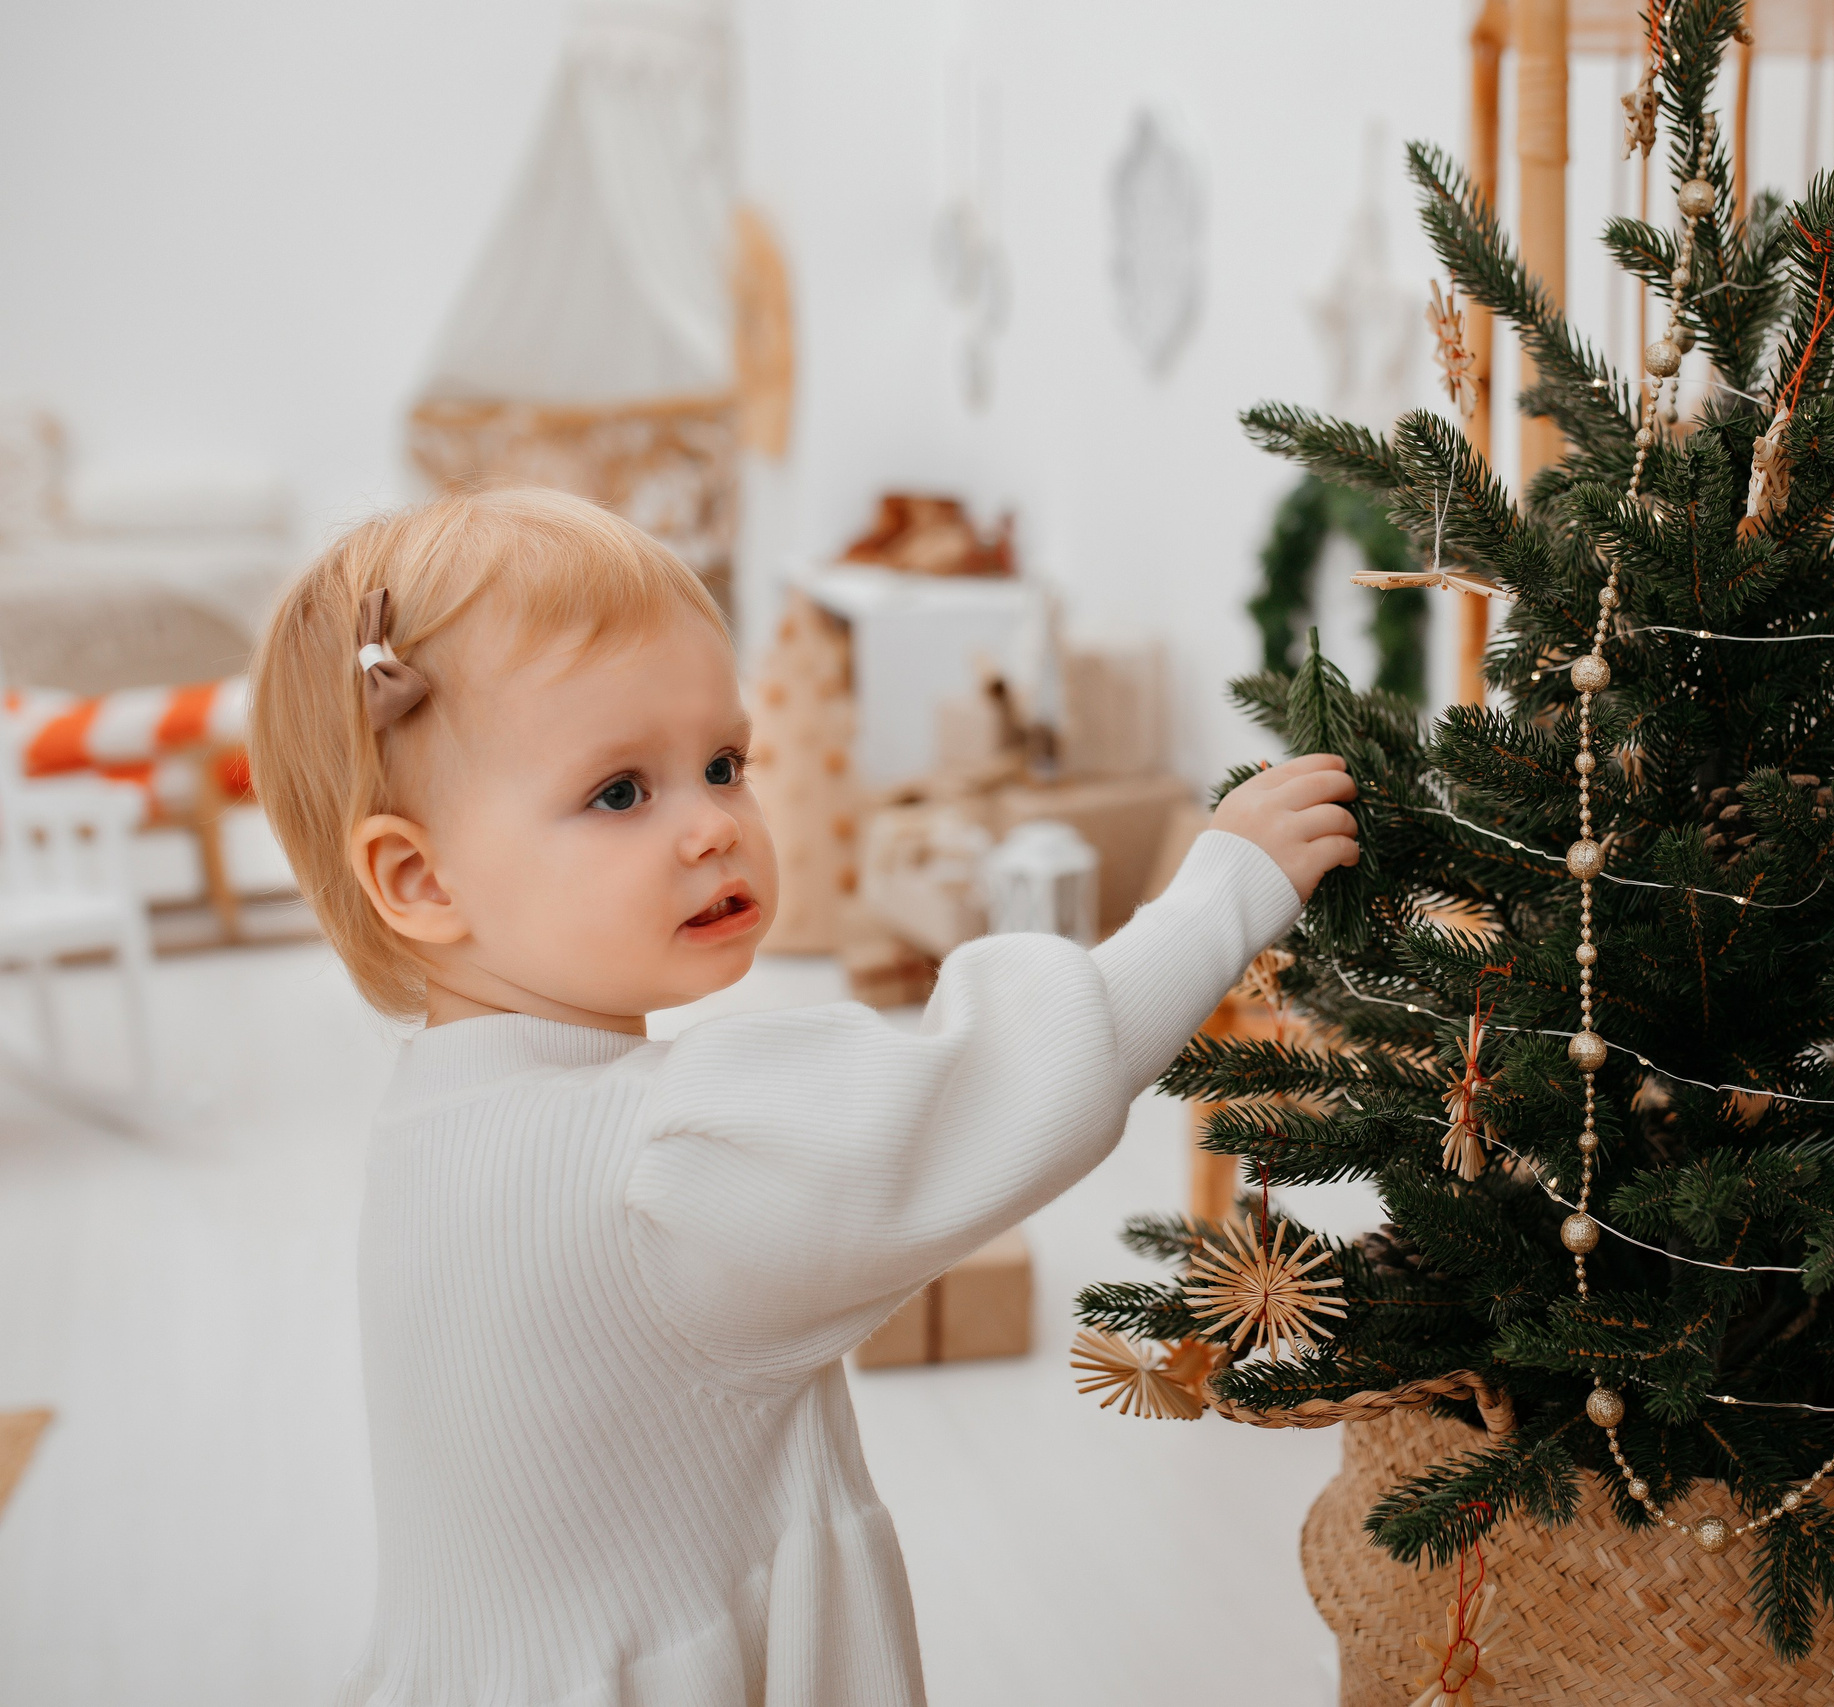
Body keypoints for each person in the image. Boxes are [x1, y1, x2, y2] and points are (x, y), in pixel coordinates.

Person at [248, 486, 1358, 1707]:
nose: (714, 826)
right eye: (622, 791)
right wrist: (1221, 894)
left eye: (724, 764)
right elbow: (1003, 1084)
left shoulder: (430, 1123)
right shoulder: (661, 1164)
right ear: (419, 877)